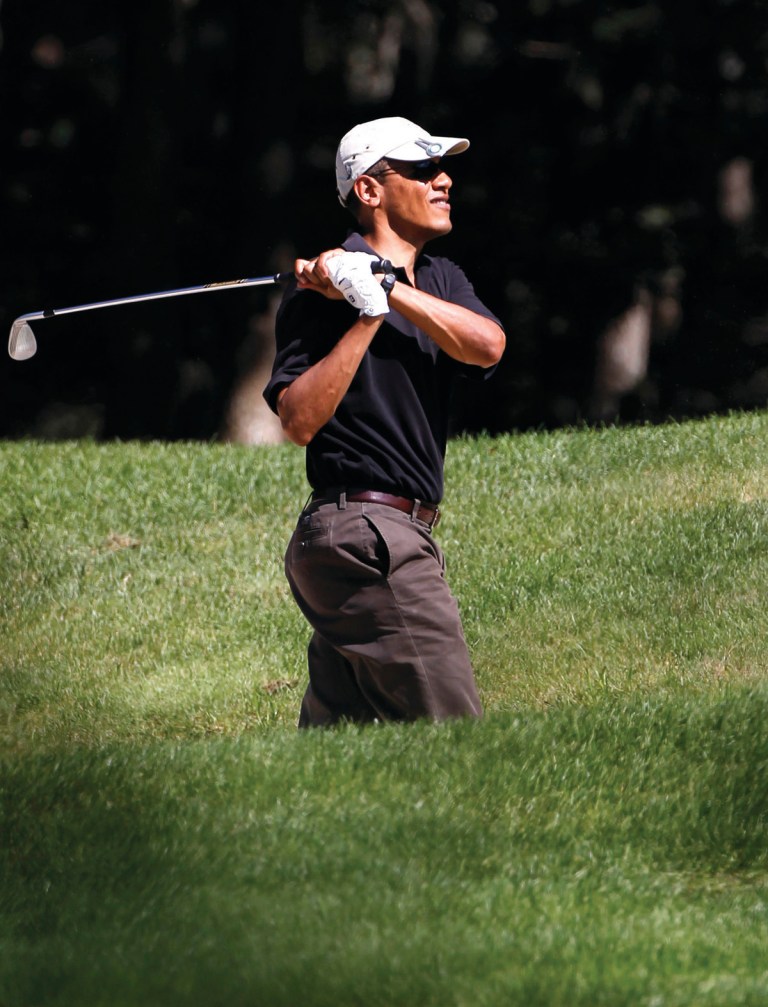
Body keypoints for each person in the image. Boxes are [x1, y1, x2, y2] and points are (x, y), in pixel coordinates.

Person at [263, 115, 506, 728]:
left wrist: (388, 289)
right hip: (362, 535)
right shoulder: (318, 291)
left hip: (393, 537)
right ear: (369, 190)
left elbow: (488, 346)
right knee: (454, 736)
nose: (444, 179)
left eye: (441, 168)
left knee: (342, 763)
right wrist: (364, 316)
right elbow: (298, 421)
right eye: (423, 169)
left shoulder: (441, 279)